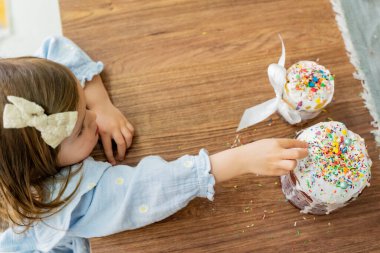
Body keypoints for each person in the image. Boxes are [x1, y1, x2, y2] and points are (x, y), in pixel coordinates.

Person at [0, 36, 308, 252]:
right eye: (82, 128)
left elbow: (55, 46)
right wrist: (241, 160)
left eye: (85, 110)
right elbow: (144, 191)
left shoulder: (27, 93)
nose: (94, 120)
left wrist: (100, 102)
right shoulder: (60, 199)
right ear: (41, 164)